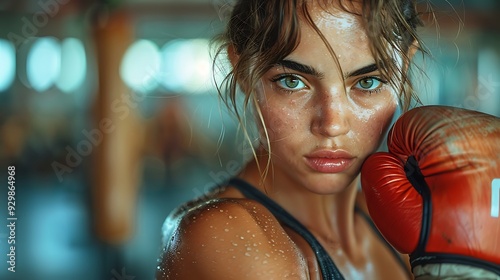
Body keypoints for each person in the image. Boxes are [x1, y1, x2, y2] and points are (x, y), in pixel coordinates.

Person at [156, 0, 425, 279]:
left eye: (368, 82)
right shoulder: (224, 235)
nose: (332, 126)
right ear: (242, 71)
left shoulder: (389, 225)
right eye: (292, 81)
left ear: (405, 65)